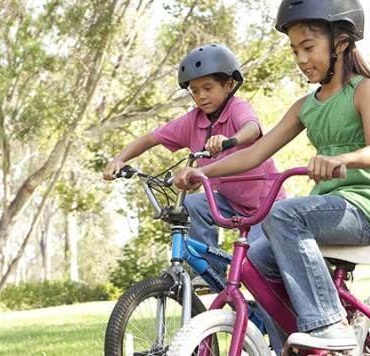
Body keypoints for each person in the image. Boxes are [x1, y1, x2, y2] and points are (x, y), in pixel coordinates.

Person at [172, 0, 370, 350]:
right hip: (325, 211)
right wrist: (201, 172)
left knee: (282, 213)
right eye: (295, 51)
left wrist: (343, 160)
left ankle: (328, 322)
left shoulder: (365, 90)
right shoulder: (307, 105)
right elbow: (256, 153)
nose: (302, 59)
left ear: (340, 42)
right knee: (255, 262)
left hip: (365, 208)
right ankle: (287, 347)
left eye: (308, 47)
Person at [103, 44, 283, 248]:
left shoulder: (237, 108)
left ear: (229, 85)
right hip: (229, 202)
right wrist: (119, 159)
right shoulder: (193, 121)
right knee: (191, 205)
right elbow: (149, 139)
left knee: (253, 260)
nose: (201, 96)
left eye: (208, 88)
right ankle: (208, 274)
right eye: (195, 91)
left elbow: (251, 128)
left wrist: (231, 140)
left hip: (266, 206)